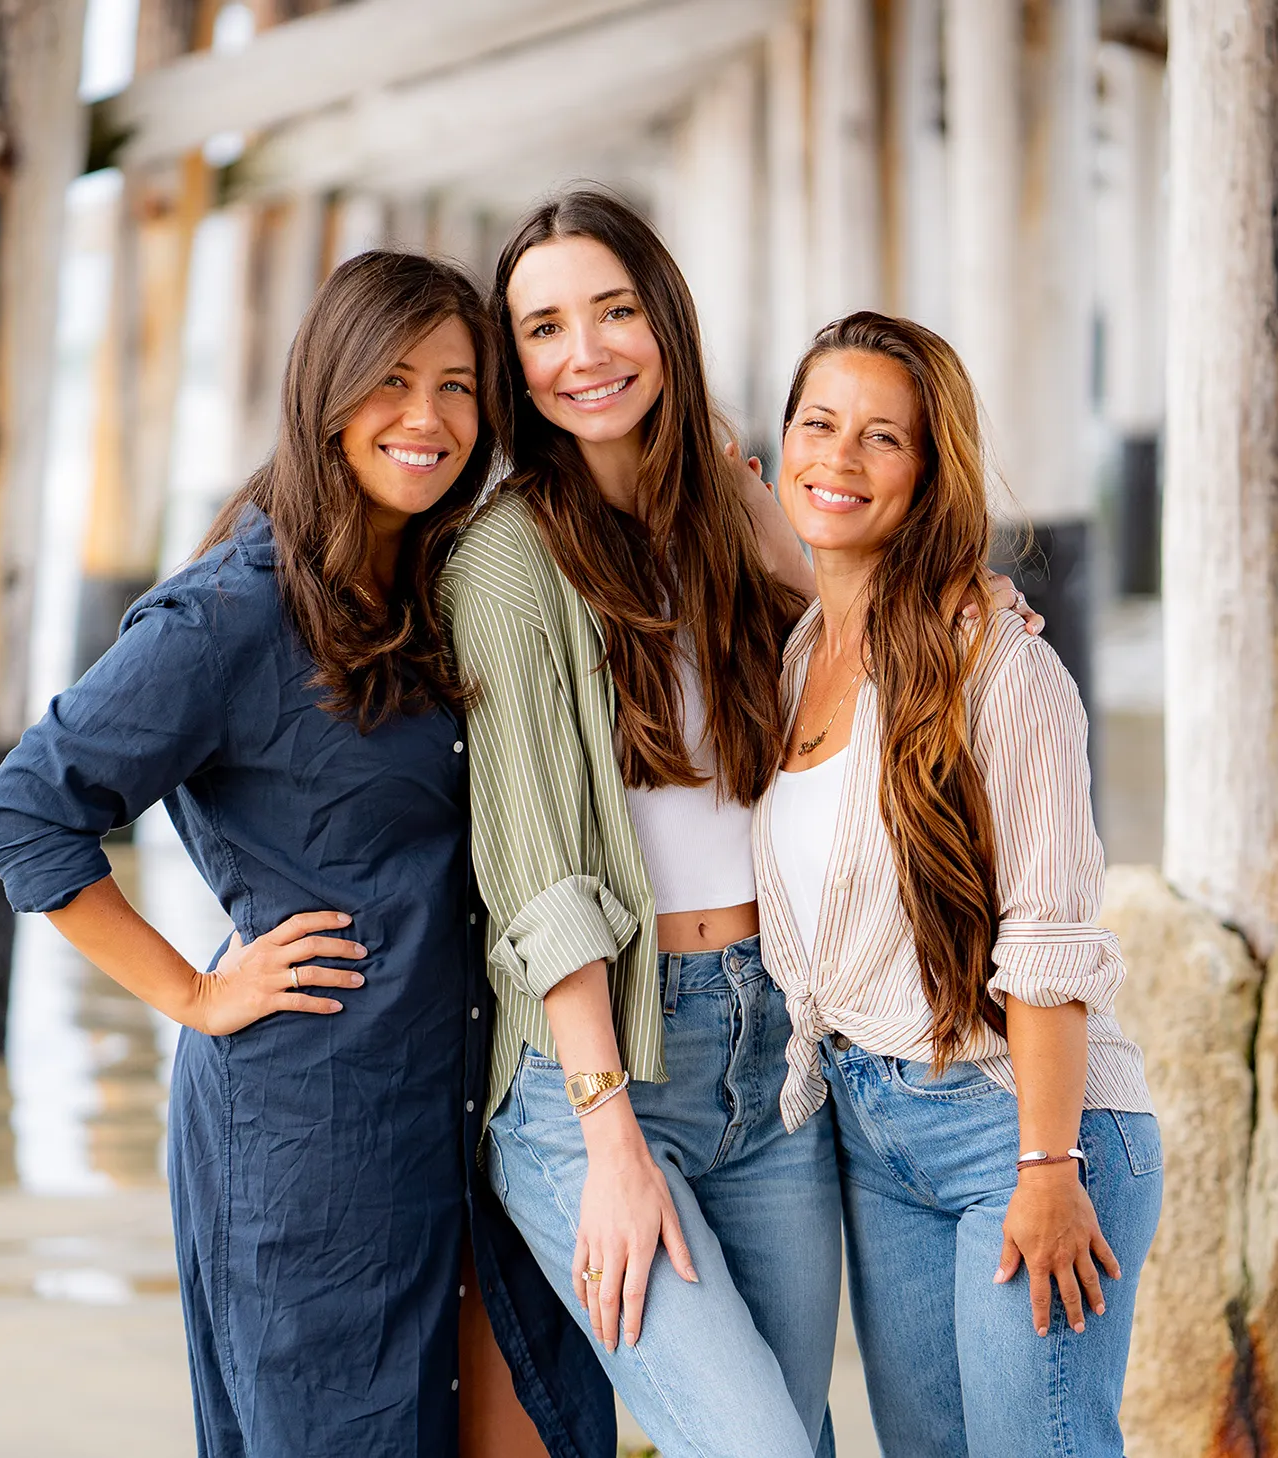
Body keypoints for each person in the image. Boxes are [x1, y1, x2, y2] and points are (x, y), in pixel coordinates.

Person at [0, 251, 610, 1458]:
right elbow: (24, 811)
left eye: (462, 387)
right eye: (394, 381)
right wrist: (198, 993)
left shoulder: (434, 584)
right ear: (325, 390)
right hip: (318, 1140)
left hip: (474, 1119)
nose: (428, 419)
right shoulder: (231, 612)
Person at [446, 189, 840, 1457]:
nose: (586, 352)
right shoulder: (505, 560)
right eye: (545, 328)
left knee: (797, 1436)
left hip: (772, 1049)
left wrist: (972, 606)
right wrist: (609, 1136)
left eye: (615, 311)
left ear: (663, 322)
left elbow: (855, 663)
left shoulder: (722, 514)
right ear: (514, 365)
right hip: (601, 1076)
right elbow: (538, 874)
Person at [754, 311, 1161, 1456]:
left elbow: (1046, 941)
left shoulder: (1005, 668)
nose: (838, 458)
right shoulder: (798, 658)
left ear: (929, 473)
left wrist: (1046, 1165)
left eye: (883, 438)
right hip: (875, 1134)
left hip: (1022, 1133)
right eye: (818, 423)